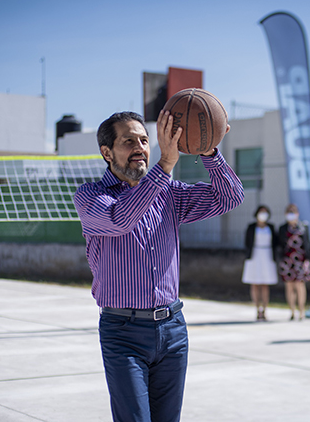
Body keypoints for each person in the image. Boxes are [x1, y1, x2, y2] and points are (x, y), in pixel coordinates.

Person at [73, 110, 244, 422]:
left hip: (172, 329)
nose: (140, 146)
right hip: (123, 332)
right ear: (107, 152)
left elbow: (229, 197)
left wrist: (208, 151)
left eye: (144, 139)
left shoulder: (168, 194)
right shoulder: (91, 197)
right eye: (128, 141)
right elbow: (121, 219)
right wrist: (165, 165)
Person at [242, 205, 279, 321]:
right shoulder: (251, 227)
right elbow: (247, 242)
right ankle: (257, 309)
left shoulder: (271, 227)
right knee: (255, 283)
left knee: (265, 284)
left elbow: (276, 242)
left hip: (267, 255)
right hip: (255, 255)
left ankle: (265, 309)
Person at [278, 203, 310, 321]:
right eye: (289, 212)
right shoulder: (283, 228)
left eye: (293, 212)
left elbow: (307, 243)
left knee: (300, 285)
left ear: (297, 214)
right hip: (287, 261)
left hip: (300, 260)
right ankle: (292, 311)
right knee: (289, 286)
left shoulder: (303, 227)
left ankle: (302, 311)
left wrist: (308, 259)